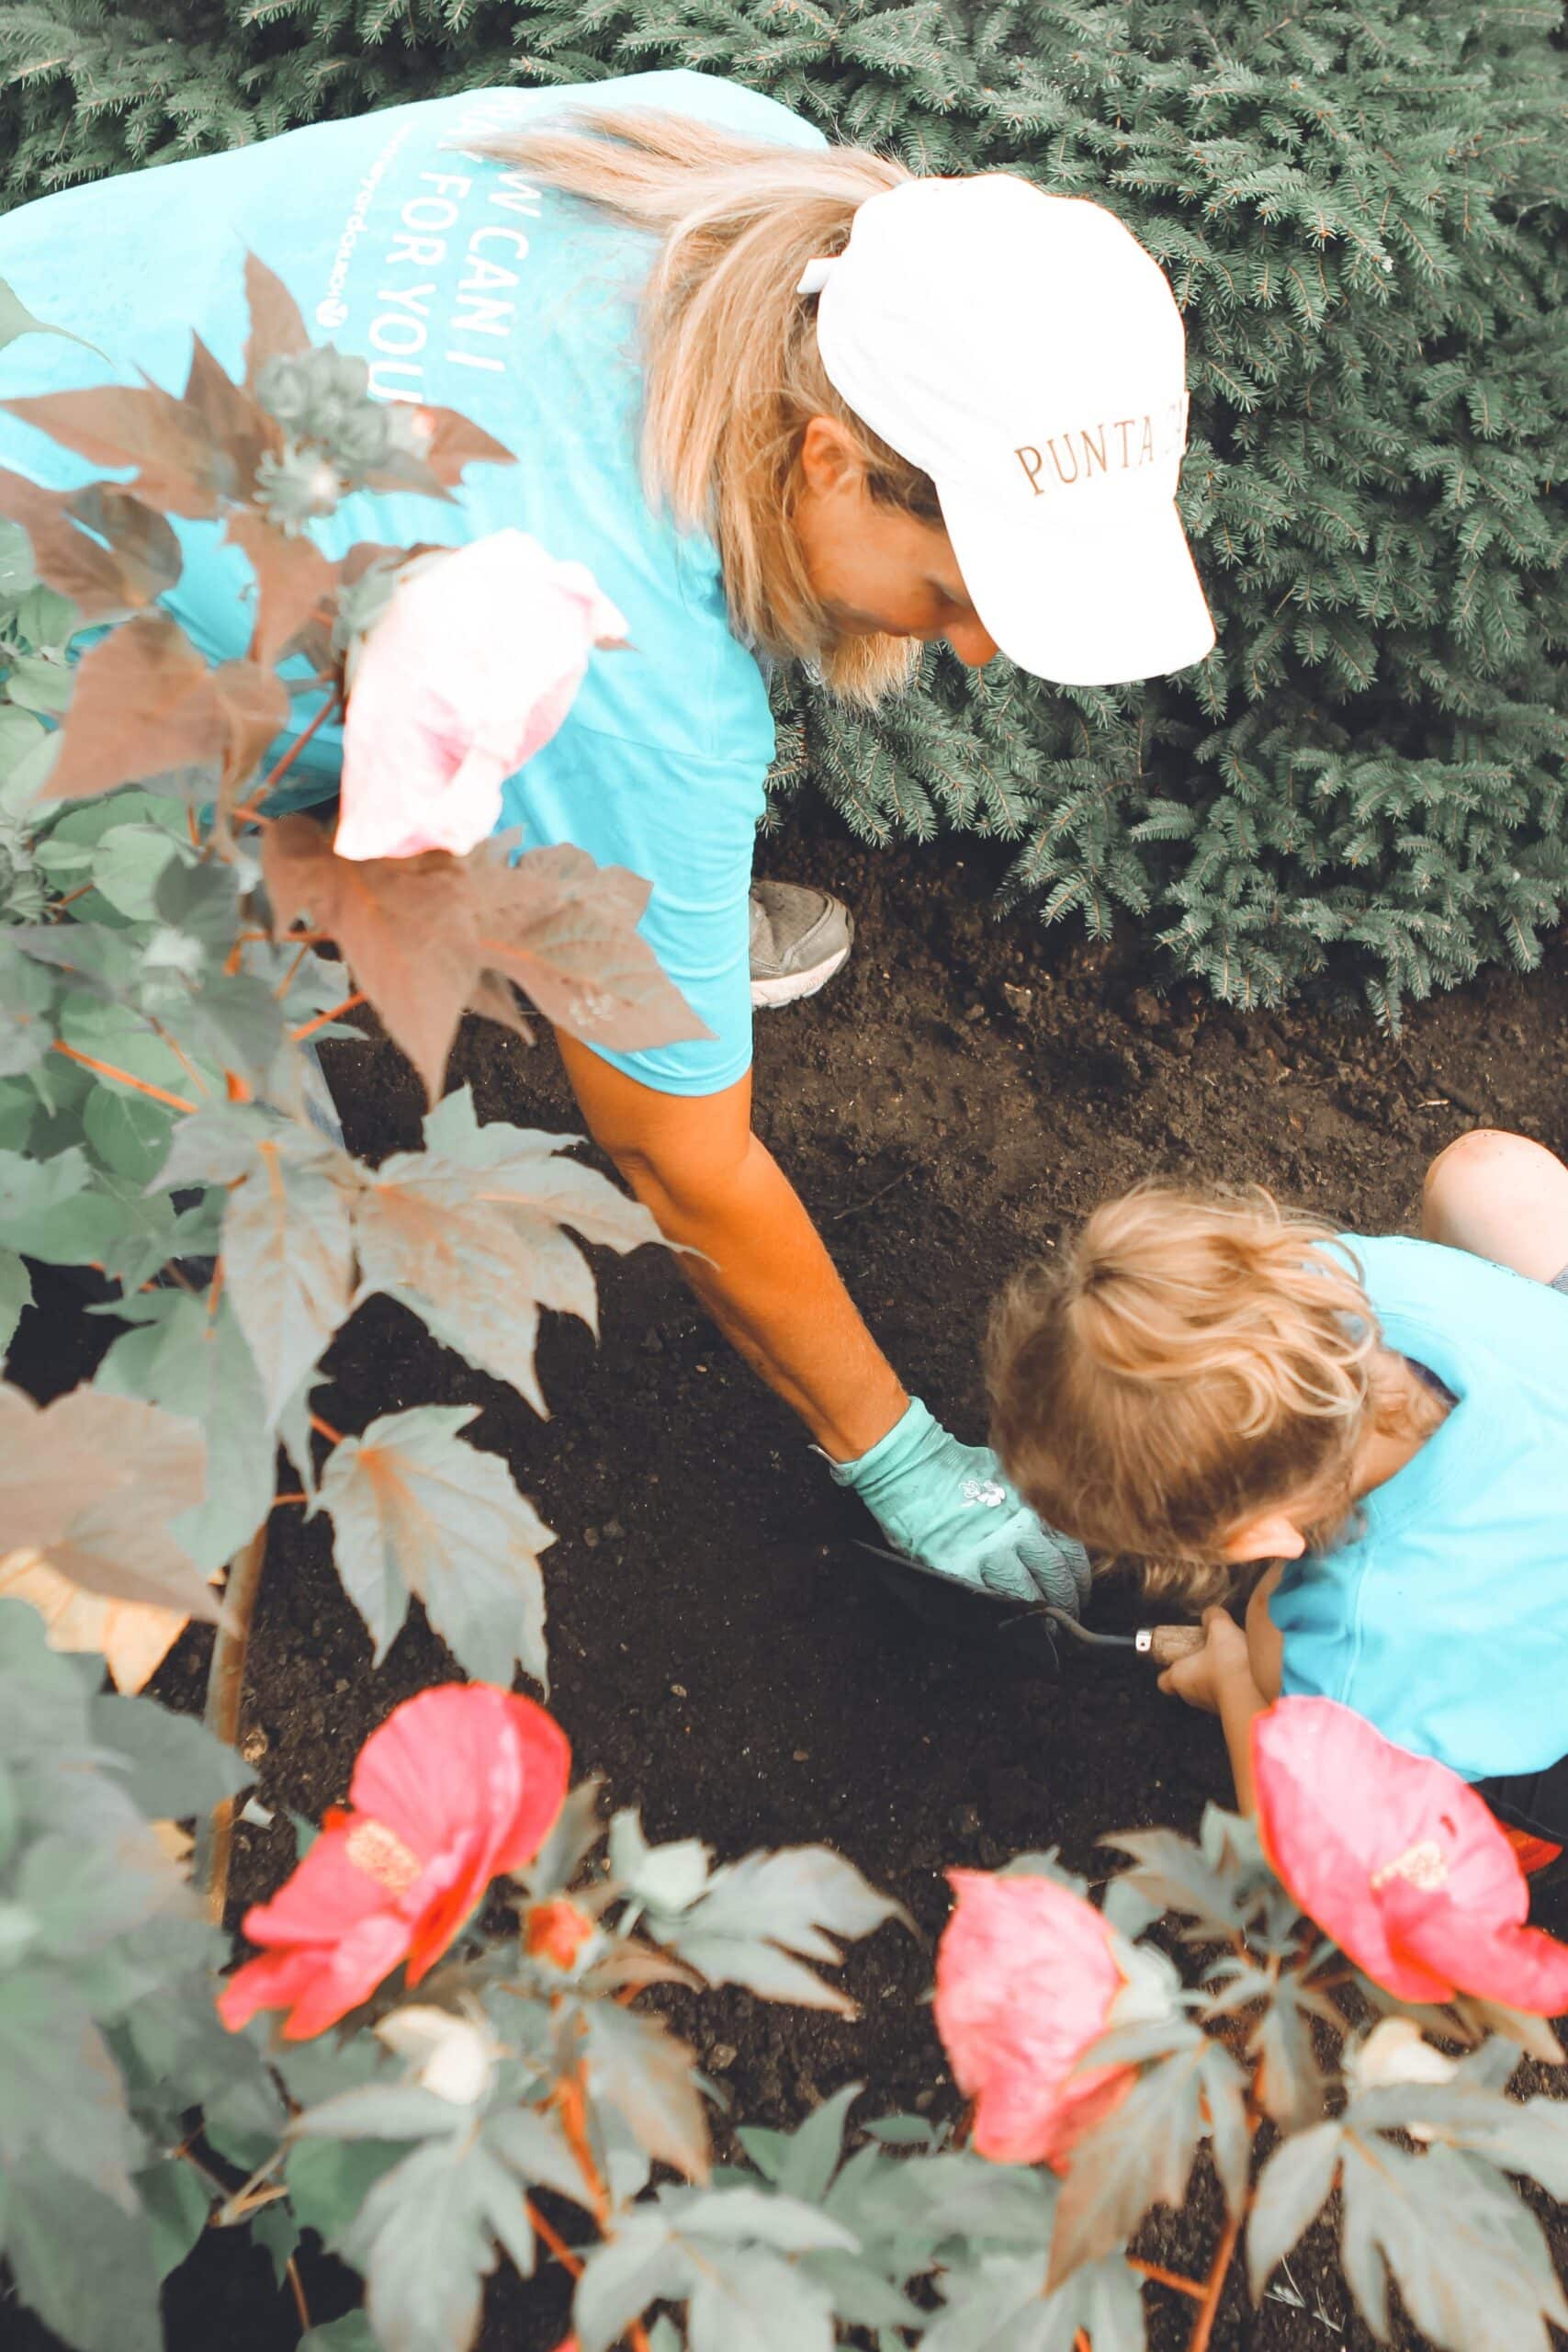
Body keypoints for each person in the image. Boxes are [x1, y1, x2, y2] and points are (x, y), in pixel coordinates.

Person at [0, 69, 1214, 1610]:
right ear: (830, 462)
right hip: (40, 640)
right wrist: (896, 1453)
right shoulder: (629, 663)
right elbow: (678, 1162)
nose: (972, 648)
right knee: (246, 1161)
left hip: (57, 332)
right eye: (956, 589)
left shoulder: (757, 184)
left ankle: (642, 912)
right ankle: (126, 1492)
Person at [987, 1131, 1568, 1851]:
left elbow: (1292, 1844)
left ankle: (1518, 1841)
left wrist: (1234, 1679)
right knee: (1487, 1179)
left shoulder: (1357, 1650)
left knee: (1271, 1643)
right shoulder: (1355, 1280)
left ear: (1256, 1540)